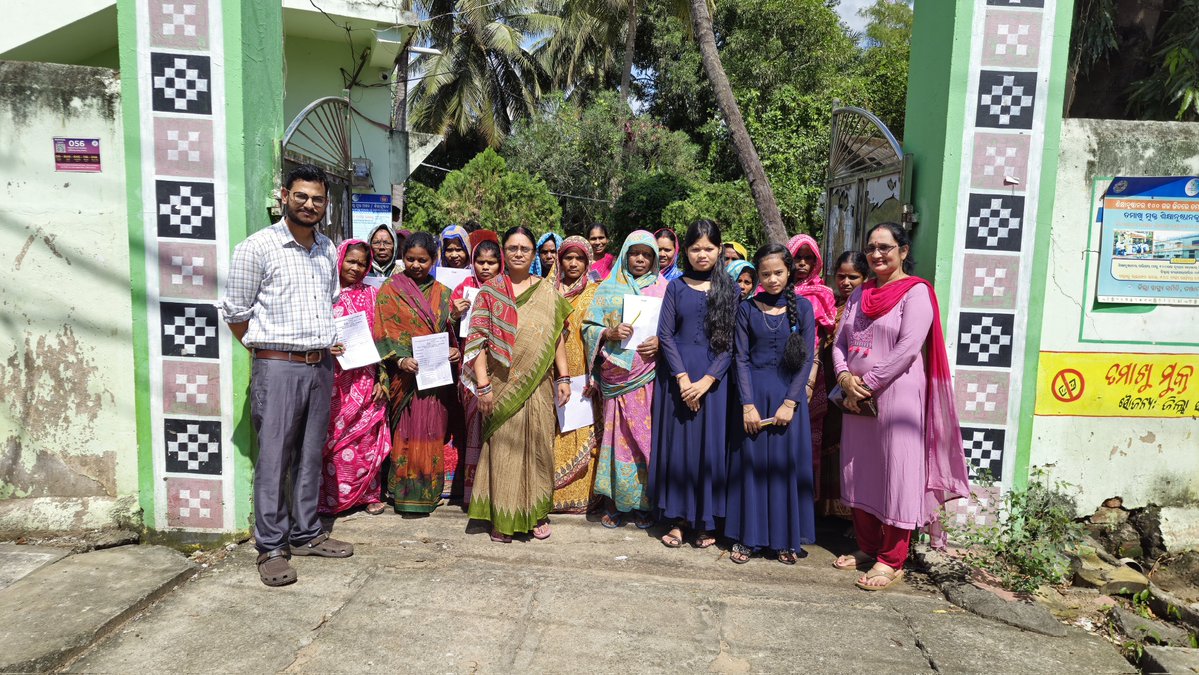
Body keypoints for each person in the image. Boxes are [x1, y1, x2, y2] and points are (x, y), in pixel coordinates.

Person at [219, 164, 353, 587]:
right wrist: (269, 353)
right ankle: (272, 547)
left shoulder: (328, 249)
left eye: (317, 199)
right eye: (301, 197)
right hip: (277, 367)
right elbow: (236, 314)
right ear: (284, 196)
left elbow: (329, 303)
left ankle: (307, 533)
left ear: (325, 204)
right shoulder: (256, 248)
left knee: (311, 453)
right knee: (275, 457)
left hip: (321, 366)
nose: (309, 205)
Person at [832, 223, 970, 590]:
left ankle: (892, 560)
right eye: (872, 247)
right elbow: (840, 342)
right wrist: (846, 379)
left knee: (898, 473)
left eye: (886, 247)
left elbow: (908, 347)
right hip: (856, 401)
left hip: (897, 398)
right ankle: (868, 547)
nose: (877, 254)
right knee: (857, 470)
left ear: (903, 251)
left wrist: (869, 384)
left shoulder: (916, 293)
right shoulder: (860, 294)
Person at [464, 226, 573, 542]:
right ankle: (502, 516)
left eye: (524, 248)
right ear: (503, 251)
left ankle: (537, 513)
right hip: (501, 383)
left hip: (538, 384)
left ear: (532, 253)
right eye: (512, 248)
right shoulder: (490, 292)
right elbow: (478, 343)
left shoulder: (548, 291)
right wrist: (483, 386)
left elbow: (557, 339)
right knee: (504, 451)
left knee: (539, 448)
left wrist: (564, 377)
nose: (518, 253)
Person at [726, 243, 816, 565]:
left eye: (778, 272)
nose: (773, 279)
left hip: (787, 399)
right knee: (751, 468)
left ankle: (783, 539)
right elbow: (741, 358)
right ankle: (747, 538)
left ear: (789, 271)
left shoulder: (803, 309)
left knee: (782, 470)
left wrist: (791, 402)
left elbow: (805, 359)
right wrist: (747, 404)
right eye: (766, 274)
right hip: (753, 395)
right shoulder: (747, 309)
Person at [651, 220, 736, 549]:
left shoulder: (729, 288)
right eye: (696, 248)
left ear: (719, 250)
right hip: (677, 379)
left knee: (709, 450)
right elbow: (666, 335)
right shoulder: (676, 287)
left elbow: (730, 343)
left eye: (709, 249)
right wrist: (684, 378)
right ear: (686, 251)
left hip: (714, 383)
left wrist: (705, 381)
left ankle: (706, 521)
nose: (703, 255)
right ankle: (678, 519)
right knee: (681, 450)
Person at [582, 230, 668, 529]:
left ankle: (644, 504)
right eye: (635, 253)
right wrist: (608, 332)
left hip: (649, 376)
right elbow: (588, 327)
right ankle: (616, 503)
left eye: (647, 254)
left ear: (655, 258)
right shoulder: (608, 287)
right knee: (616, 439)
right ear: (625, 255)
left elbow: (677, 330)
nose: (640, 259)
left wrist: (660, 342)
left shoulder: (664, 289)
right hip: (616, 375)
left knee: (644, 438)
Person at [374, 232, 460, 515]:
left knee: (431, 433)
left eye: (423, 260)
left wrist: (454, 350)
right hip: (405, 380)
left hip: (434, 381)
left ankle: (428, 492)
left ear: (434, 260)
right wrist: (399, 361)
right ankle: (402, 493)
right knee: (406, 435)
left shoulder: (444, 294)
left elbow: (450, 334)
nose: (416, 265)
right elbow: (382, 331)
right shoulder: (390, 289)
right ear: (402, 258)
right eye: (410, 259)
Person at [320, 239, 391, 517]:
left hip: (367, 377)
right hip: (335, 380)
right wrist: (327, 346)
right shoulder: (326, 294)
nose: (357, 267)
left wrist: (381, 380)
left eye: (363, 263)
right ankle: (331, 498)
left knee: (367, 437)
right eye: (351, 261)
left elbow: (384, 340)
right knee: (335, 439)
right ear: (339, 259)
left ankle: (370, 494)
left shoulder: (373, 295)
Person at [451, 233, 503, 504]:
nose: (485, 267)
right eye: (480, 262)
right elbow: (447, 327)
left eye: (491, 263)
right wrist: (454, 313)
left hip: (499, 368)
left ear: (500, 264)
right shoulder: (463, 288)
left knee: (497, 428)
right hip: (469, 369)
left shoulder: (507, 289)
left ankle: (496, 489)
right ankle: (473, 493)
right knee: (473, 426)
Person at [550, 236, 601, 513]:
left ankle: (582, 495)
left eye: (579, 258)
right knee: (552, 427)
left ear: (587, 261)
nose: (573, 263)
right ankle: (550, 491)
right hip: (550, 371)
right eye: (568, 257)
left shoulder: (596, 292)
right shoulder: (548, 290)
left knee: (580, 426)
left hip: (582, 368)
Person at [786, 234, 838, 500]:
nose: (803, 264)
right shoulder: (772, 290)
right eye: (798, 258)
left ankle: (805, 500)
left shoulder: (823, 294)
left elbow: (825, 335)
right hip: (779, 370)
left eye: (809, 258)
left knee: (808, 432)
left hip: (812, 372)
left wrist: (810, 374)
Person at [819, 250, 868, 516]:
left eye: (853, 277)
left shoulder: (866, 307)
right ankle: (826, 509)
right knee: (828, 439)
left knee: (850, 447)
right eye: (841, 276)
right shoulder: (831, 304)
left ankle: (851, 514)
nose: (846, 282)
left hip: (856, 384)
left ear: (865, 277)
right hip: (828, 380)